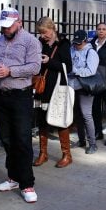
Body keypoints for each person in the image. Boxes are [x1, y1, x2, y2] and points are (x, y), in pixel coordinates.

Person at [0, 8, 42, 203]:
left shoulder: (30, 41)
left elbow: (35, 67)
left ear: (19, 22)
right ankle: (13, 177)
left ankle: (27, 183)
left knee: (22, 139)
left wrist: (10, 71)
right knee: (7, 138)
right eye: (3, 26)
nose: (5, 30)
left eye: (9, 26)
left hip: (20, 95)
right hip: (1, 94)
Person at [32, 17, 74, 167]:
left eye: (45, 32)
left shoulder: (63, 44)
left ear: (53, 28)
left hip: (57, 88)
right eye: (41, 33)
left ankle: (67, 154)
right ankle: (43, 153)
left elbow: (68, 67)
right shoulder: (39, 43)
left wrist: (49, 60)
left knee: (60, 120)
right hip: (42, 87)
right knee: (42, 120)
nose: (43, 36)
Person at [69, 30, 100, 154]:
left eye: (79, 43)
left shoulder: (91, 52)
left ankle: (92, 143)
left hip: (85, 87)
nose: (77, 45)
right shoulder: (72, 49)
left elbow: (91, 70)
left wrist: (76, 71)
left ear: (85, 41)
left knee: (86, 115)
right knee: (77, 115)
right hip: (72, 86)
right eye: (75, 42)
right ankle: (81, 140)